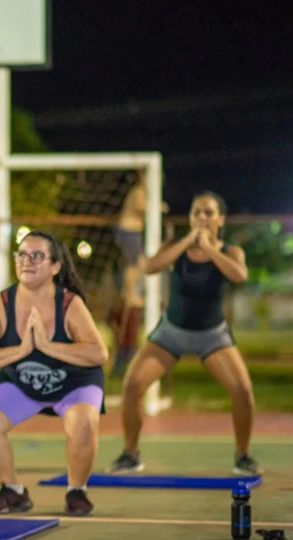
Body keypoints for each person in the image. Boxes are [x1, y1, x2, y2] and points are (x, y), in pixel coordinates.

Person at [108, 191, 259, 476]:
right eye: (196, 213)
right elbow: (151, 267)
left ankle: (243, 456)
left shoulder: (230, 252)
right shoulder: (175, 246)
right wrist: (188, 242)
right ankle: (130, 454)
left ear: (220, 219)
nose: (202, 218)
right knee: (132, 386)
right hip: (172, 332)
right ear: (190, 218)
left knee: (243, 391)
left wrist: (210, 249)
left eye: (208, 213)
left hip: (213, 335)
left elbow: (239, 275)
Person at [0, 231, 108, 517]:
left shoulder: (69, 304)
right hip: (22, 381)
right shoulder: (2, 304)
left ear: (55, 266)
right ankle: (13, 491)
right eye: (21, 254)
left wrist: (46, 346)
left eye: (36, 256)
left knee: (82, 423)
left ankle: (76, 490)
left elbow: (98, 353)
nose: (26, 261)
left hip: (74, 383)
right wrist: (19, 352)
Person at [112, 176, 168, 375]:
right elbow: (141, 208)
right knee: (133, 265)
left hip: (132, 233)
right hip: (128, 232)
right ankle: (130, 294)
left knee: (140, 263)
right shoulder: (138, 192)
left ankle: (133, 292)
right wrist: (158, 207)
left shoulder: (143, 193)